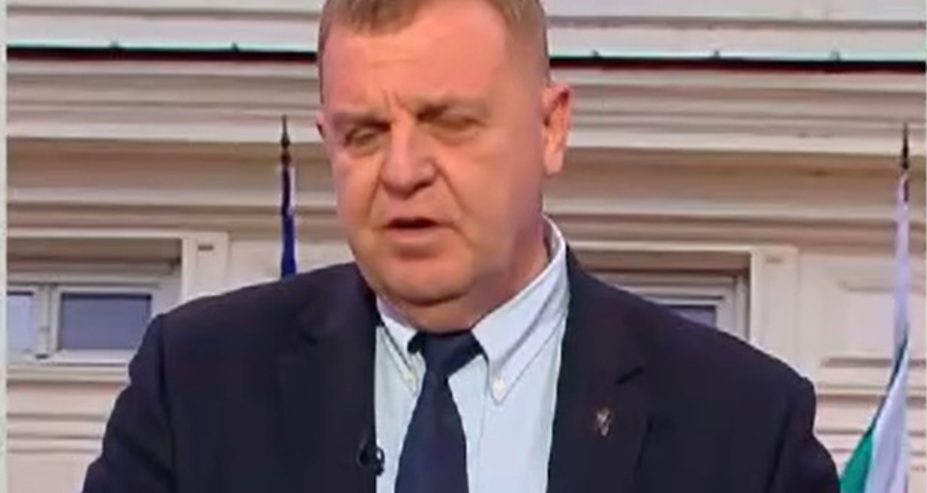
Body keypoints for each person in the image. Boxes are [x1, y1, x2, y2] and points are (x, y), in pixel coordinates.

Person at [81, 0, 841, 491]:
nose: (402, 171)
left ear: (550, 129)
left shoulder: (743, 425)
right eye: (363, 134)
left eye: (449, 124)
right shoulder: (194, 387)